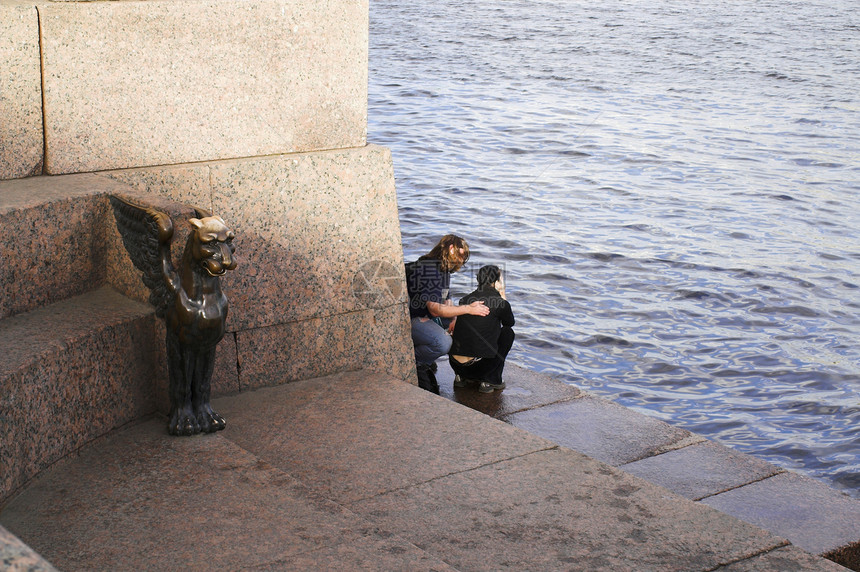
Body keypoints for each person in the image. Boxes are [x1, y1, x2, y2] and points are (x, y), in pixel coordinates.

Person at [405, 235, 490, 393]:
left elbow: (446, 300)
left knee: (466, 323)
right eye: (462, 255)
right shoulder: (430, 269)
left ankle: (453, 366)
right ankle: (412, 361)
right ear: (451, 249)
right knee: (443, 343)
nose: (463, 261)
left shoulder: (443, 269)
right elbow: (435, 309)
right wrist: (468, 308)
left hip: (425, 315)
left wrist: (455, 318)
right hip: (410, 319)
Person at [448, 264, 515, 393]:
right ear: (497, 282)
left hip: (456, 365)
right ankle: (490, 380)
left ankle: (460, 378)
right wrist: (502, 293)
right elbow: (509, 323)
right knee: (508, 333)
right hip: (481, 368)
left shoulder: (465, 300)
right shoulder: (500, 303)